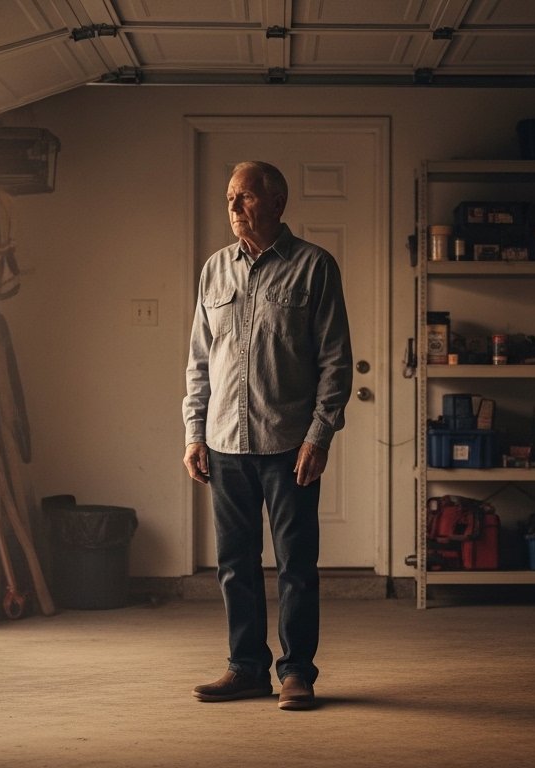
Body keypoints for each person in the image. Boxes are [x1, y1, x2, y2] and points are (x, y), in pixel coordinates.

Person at [182, 160, 353, 711]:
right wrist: (193, 432)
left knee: (297, 566)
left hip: (289, 447)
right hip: (224, 444)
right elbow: (199, 362)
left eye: (246, 197)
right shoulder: (214, 271)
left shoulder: (314, 267)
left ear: (278, 202)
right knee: (234, 566)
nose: (233, 207)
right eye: (229, 197)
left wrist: (319, 436)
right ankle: (246, 669)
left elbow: (335, 361)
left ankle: (297, 673)